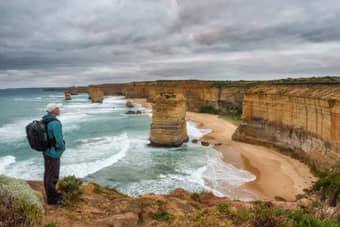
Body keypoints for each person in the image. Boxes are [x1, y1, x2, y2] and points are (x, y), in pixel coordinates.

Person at [42, 103, 66, 205]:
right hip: (53, 153)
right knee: (53, 176)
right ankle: (52, 199)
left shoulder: (45, 120)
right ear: (53, 111)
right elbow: (59, 140)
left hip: (46, 151)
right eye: (57, 108)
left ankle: (52, 194)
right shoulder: (55, 123)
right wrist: (62, 148)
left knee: (48, 173)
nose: (59, 109)